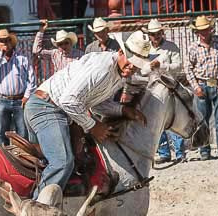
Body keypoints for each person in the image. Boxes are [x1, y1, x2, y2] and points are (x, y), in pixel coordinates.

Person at [24, 31, 151, 196]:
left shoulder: (117, 73)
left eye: (137, 64)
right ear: (121, 52)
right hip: (47, 108)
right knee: (62, 162)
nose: (133, 67)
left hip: (52, 109)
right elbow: (68, 100)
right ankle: (37, 207)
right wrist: (94, 126)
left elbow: (96, 103)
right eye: (131, 61)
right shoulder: (102, 68)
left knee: (68, 160)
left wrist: (123, 109)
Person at [186, 15, 218, 160]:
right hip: (202, 85)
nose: (204, 33)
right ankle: (204, 152)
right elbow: (188, 68)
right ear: (197, 32)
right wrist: (195, 86)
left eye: (206, 29)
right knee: (202, 121)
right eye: (201, 30)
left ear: (210, 29)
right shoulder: (193, 47)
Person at [140, 19, 185, 164]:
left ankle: (179, 153)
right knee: (157, 121)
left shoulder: (171, 47)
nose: (155, 36)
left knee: (173, 120)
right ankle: (164, 152)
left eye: (157, 33)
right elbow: (141, 68)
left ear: (162, 33)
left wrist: (162, 66)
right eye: (153, 34)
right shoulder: (145, 49)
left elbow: (178, 66)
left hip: (169, 87)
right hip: (153, 89)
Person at [0, 29, 37, 145]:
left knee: (22, 131)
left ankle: (22, 154)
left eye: (7, 40)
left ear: (11, 42)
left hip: (20, 99)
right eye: (1, 41)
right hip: (2, 100)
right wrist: (1, 56)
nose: (5, 43)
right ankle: (4, 154)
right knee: (2, 131)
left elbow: (32, 79)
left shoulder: (22, 59)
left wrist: (26, 96)